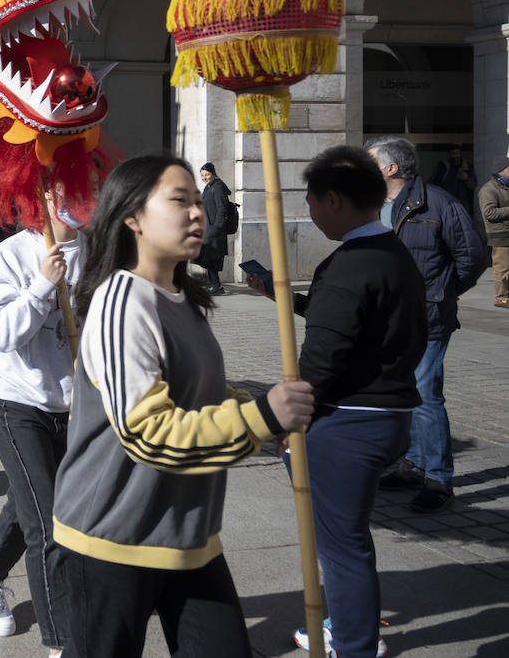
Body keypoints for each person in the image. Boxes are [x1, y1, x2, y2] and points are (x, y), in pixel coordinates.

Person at [52, 155, 314, 658]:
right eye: (180, 201)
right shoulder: (120, 302)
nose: (198, 213)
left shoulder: (179, 294)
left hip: (188, 532)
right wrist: (261, 416)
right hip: (112, 536)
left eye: (199, 201)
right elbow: (148, 432)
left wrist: (263, 418)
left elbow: (204, 395)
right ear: (132, 217)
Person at [248, 146, 424, 658]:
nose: (309, 212)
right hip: (388, 414)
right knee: (350, 541)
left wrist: (287, 417)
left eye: (311, 201)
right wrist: (294, 302)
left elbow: (323, 359)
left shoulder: (349, 265)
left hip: (348, 422)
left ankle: (352, 644)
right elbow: (367, 325)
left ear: (333, 199)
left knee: (341, 548)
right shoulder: (391, 252)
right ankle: (350, 628)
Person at [0, 189, 80, 656]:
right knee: (50, 528)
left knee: (29, 501)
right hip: (17, 403)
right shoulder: (12, 253)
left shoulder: (102, 250)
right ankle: (61, 644)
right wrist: (41, 287)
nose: (74, 197)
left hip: (77, 407)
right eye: (59, 188)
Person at [365, 136, 487, 512]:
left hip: (427, 316)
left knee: (426, 394)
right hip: (387, 317)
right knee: (405, 393)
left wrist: (441, 293)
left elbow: (473, 256)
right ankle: (413, 464)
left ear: (391, 168)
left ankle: (439, 478)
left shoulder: (439, 202)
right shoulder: (374, 205)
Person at [479, 155, 509, 310]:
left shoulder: (506, 186)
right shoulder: (489, 189)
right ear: (502, 170)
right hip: (500, 234)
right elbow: (489, 213)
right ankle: (501, 298)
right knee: (502, 268)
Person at [198, 161, 231, 295]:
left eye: (207, 174)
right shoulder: (209, 186)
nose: (204, 177)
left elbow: (222, 209)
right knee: (208, 258)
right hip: (208, 228)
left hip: (214, 229)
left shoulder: (217, 187)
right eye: (202, 175)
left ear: (213, 174)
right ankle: (214, 285)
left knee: (212, 258)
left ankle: (216, 286)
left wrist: (216, 227)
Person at [431, 146, 478, 220]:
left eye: (457, 153)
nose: (455, 156)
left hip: (464, 202)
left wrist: (466, 178)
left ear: (461, 154)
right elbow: (435, 183)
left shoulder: (467, 167)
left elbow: (474, 185)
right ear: (449, 155)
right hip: (447, 201)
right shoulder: (444, 166)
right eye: (453, 153)